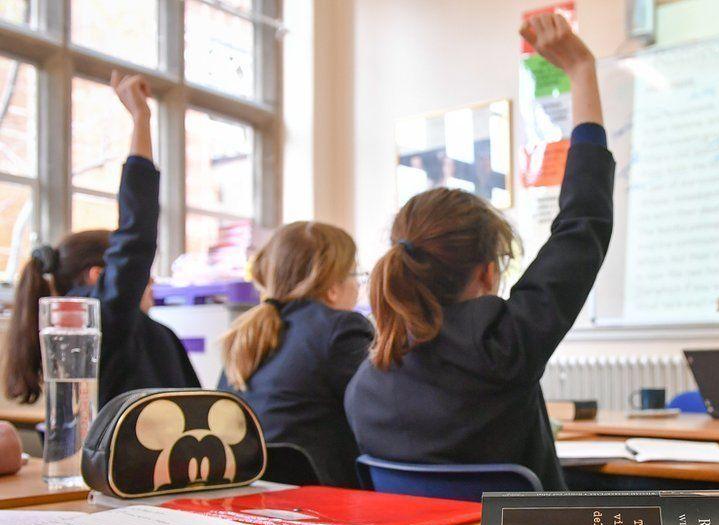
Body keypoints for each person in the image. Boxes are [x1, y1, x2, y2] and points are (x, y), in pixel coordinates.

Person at [344, 13, 613, 491]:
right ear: (487, 273)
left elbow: (581, 225)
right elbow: (583, 223)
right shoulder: (505, 346)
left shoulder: (365, 386)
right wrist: (581, 71)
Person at [3, 71, 200, 407]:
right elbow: (136, 234)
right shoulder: (98, 321)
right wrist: (141, 118)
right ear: (97, 276)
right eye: (142, 274)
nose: (148, 280)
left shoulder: (149, 333)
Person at [218, 222, 371, 488]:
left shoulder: (245, 334)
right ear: (333, 286)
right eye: (356, 274)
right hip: (325, 499)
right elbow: (374, 416)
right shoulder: (342, 327)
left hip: (253, 492)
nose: (358, 285)